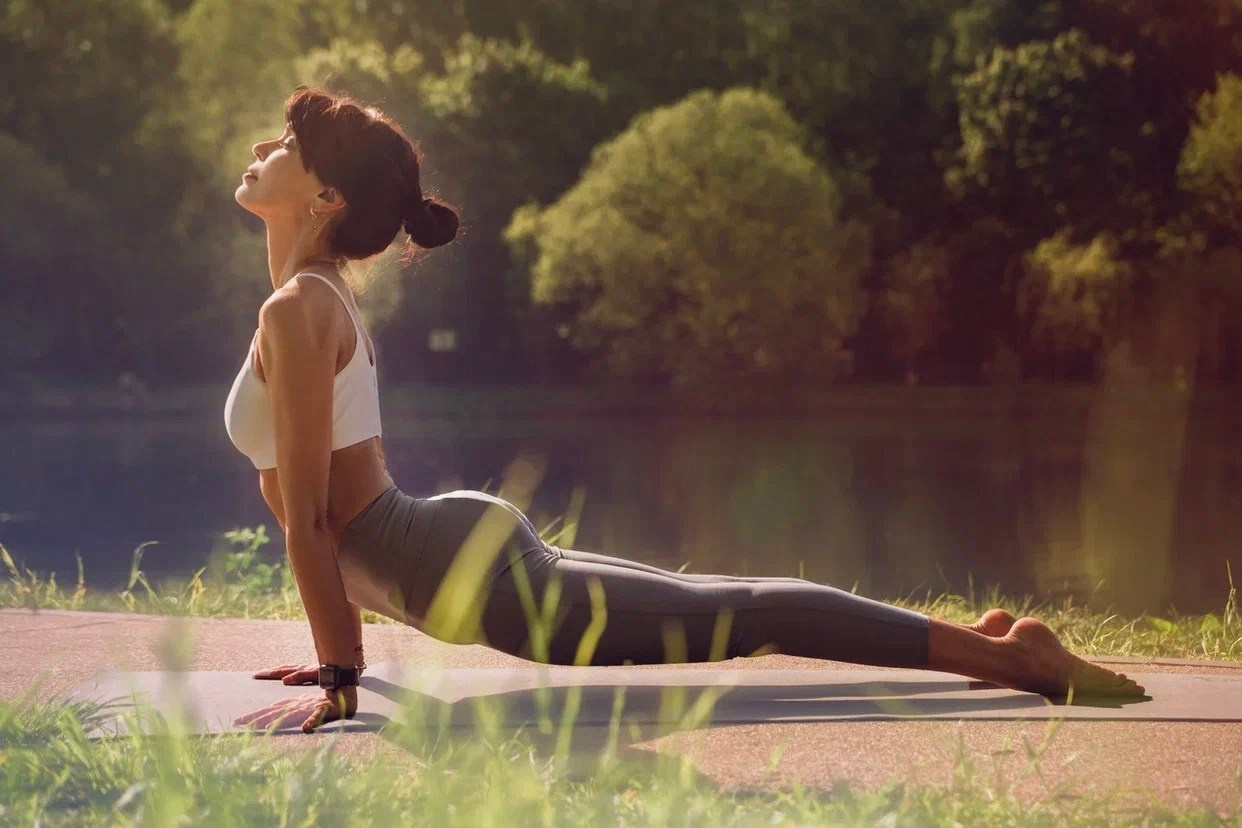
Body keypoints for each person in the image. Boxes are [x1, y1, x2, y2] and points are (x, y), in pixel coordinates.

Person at [225, 88, 1144, 734]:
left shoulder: (302, 307)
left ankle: (1019, 658)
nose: (259, 152)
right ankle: (982, 641)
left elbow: (313, 517)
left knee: (744, 616)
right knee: (726, 604)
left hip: (473, 579)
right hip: (445, 557)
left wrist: (344, 676)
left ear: (324, 197)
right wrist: (336, 650)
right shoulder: (310, 300)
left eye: (281, 147)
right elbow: (319, 516)